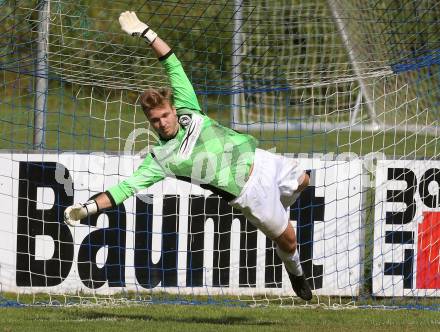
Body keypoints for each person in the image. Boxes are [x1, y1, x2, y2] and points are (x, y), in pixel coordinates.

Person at [64, 11, 312, 301]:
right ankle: (296, 274)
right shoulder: (161, 159)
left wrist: (146, 32)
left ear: (172, 108)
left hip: (262, 160)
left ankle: (280, 208)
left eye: (166, 115)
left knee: (303, 179)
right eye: (156, 120)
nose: (163, 122)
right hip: (249, 193)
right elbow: (124, 189)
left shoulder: (188, 108)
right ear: (150, 122)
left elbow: (171, 63)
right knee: (290, 241)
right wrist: (87, 208)